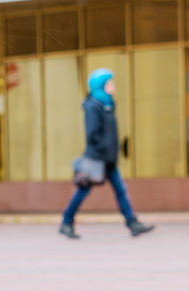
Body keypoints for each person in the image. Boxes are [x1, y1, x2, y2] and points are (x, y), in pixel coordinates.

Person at [60, 68, 154, 239]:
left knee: (120, 191)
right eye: (109, 83)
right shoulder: (93, 106)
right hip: (96, 159)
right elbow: (92, 134)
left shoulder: (107, 104)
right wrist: (104, 149)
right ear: (101, 85)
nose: (113, 86)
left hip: (108, 159)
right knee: (83, 191)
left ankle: (132, 223)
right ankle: (66, 222)